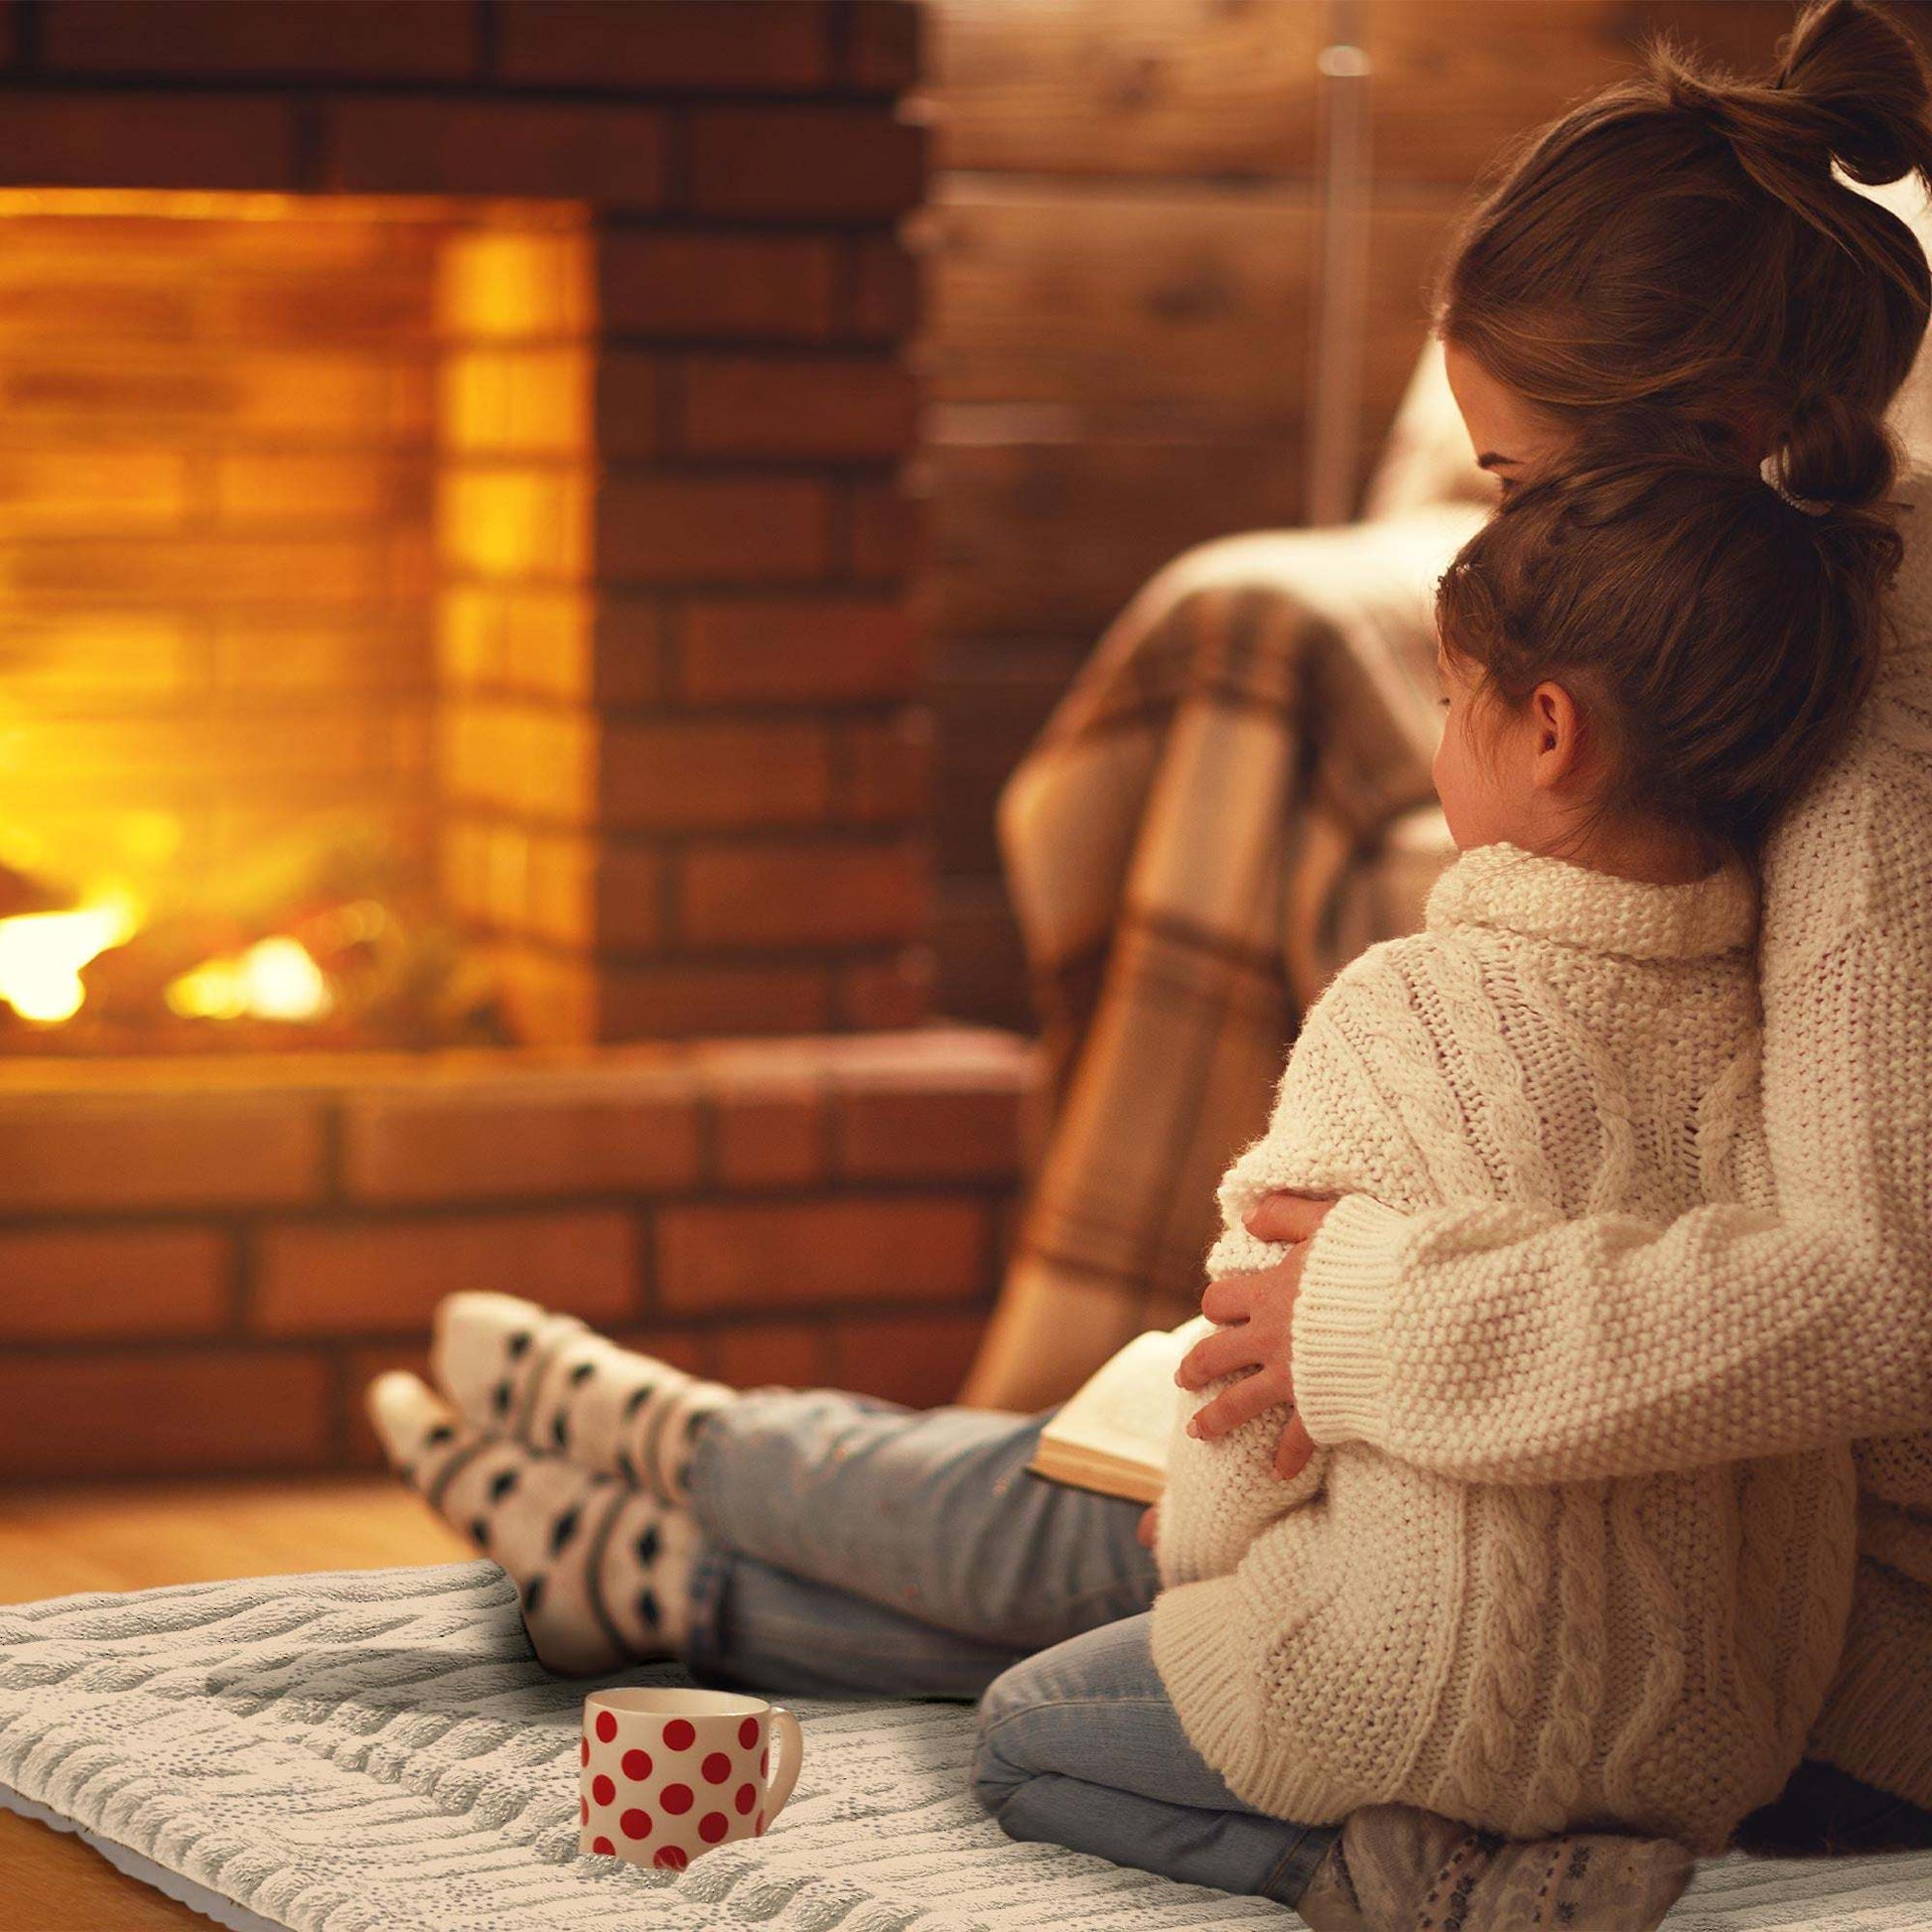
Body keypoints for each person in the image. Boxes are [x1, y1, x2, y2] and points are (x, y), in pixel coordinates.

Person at [367, 2, 1932, 1924]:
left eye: (1514, 485)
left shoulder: (1873, 745)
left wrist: (1360, 1325)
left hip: (1817, 1623)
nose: (1497, 530)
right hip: (1655, 1470)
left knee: (1147, 1543)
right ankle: (684, 1536)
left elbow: (1876, 1297)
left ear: (1706, 439)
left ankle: (696, 1476)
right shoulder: (1793, 627)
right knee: (1147, 1481)